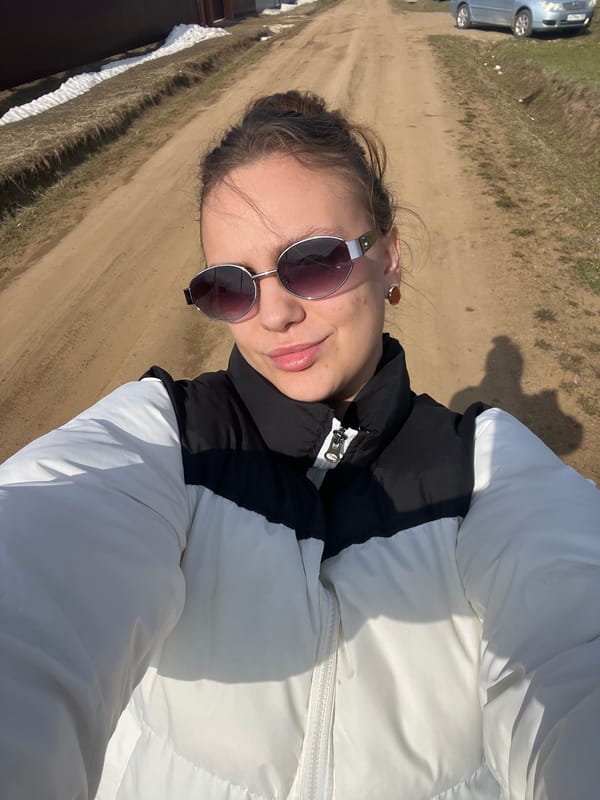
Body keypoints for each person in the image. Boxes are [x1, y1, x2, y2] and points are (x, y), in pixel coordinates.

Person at [0, 90, 599, 800]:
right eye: (230, 286)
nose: (275, 314)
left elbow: (575, 651)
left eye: (311, 263)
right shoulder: (165, 442)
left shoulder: (489, 475)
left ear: (391, 258)